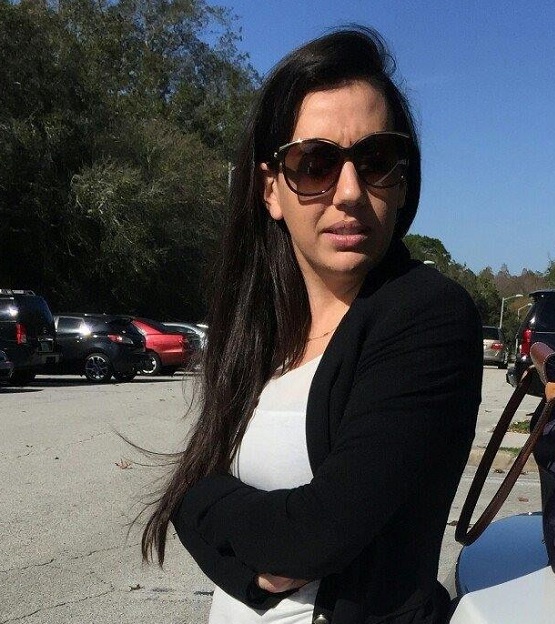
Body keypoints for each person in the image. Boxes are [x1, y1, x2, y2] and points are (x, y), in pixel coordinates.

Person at [141, 26, 483, 624]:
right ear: (271, 189)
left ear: (403, 181)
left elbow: (310, 538)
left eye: (375, 161)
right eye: (316, 163)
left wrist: (205, 507)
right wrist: (242, 549)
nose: (349, 192)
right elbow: (196, 489)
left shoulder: (428, 316)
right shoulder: (260, 328)